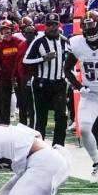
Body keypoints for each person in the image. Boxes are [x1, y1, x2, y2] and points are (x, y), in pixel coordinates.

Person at [64, 11, 98, 182]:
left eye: (91, 27)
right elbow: (67, 69)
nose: (89, 31)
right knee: (85, 129)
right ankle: (97, 163)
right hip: (90, 94)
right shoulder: (76, 43)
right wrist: (79, 87)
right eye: (86, 27)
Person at [24, 13, 68, 146]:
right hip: (41, 83)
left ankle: (58, 146)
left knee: (62, 116)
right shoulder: (38, 41)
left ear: (59, 25)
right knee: (41, 118)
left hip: (60, 83)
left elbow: (71, 61)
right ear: (45, 26)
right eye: (49, 24)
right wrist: (43, 58)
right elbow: (26, 60)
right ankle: (39, 148)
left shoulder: (65, 41)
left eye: (55, 24)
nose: (52, 27)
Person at [0, 20, 23, 125]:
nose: (6, 33)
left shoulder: (19, 42)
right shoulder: (0, 46)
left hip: (18, 76)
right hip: (5, 76)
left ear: (12, 31)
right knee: (4, 100)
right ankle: (5, 123)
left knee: (22, 100)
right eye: (4, 31)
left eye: (8, 30)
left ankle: (23, 123)